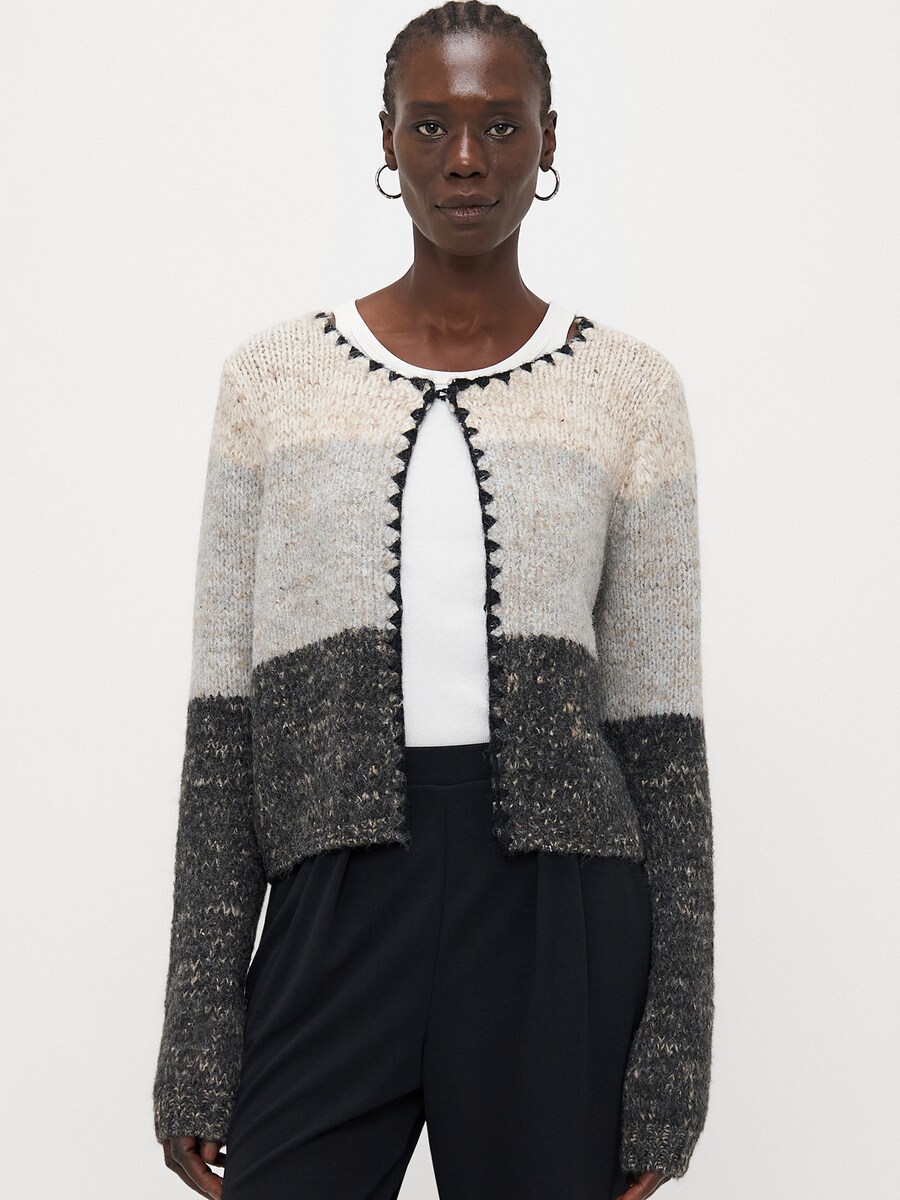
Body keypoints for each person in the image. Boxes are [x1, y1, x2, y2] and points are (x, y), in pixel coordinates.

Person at [152, 4, 715, 1199]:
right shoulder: (272, 384)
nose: (467, 159)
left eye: (502, 126)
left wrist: (673, 1060)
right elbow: (224, 728)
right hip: (335, 900)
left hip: (556, 910)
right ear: (388, 138)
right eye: (432, 125)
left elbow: (663, 743)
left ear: (549, 140)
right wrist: (199, 1036)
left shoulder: (630, 392)